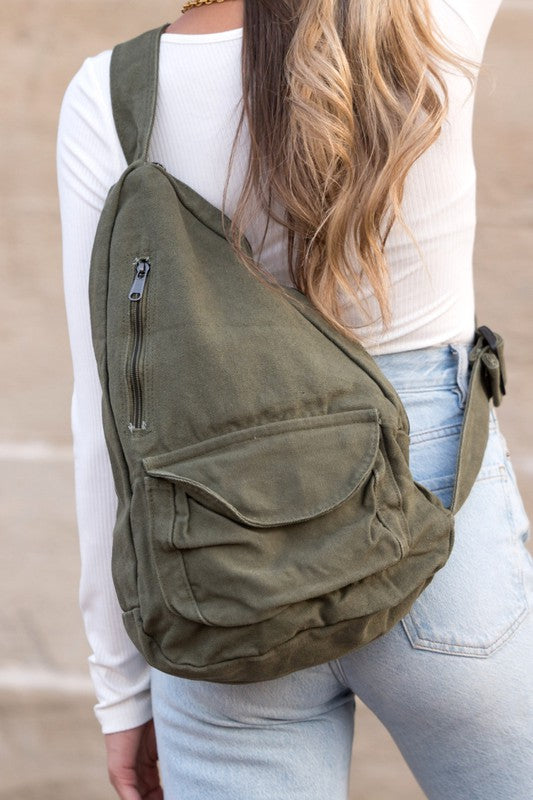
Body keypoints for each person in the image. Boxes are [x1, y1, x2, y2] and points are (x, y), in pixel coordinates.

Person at [56, 1, 533, 798]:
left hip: (220, 584)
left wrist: (121, 692)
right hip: (441, 541)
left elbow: (103, 413)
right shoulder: (425, 19)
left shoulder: (110, 94)